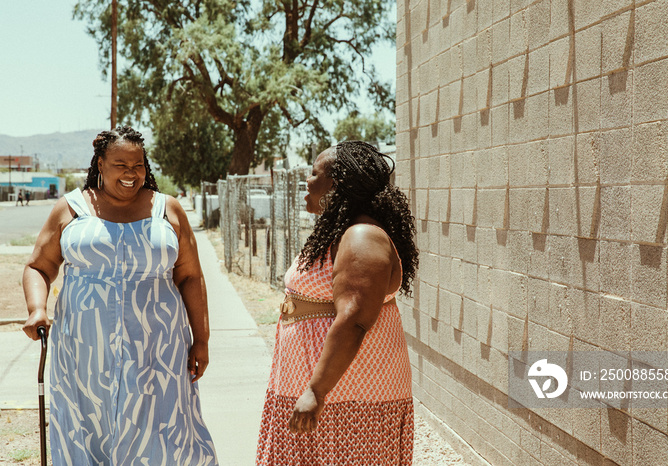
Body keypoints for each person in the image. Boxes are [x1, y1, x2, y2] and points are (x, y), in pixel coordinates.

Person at [22, 126, 218, 465]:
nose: (131, 173)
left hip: (158, 349)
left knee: (162, 432)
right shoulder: (70, 209)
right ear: (100, 163)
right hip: (84, 351)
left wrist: (201, 339)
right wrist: (36, 308)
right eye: (120, 164)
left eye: (138, 164)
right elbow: (38, 266)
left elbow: (190, 276)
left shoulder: (167, 210)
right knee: (88, 426)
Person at [256, 141, 419, 465]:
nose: (307, 180)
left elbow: (355, 318)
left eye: (314, 173)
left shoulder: (362, 236)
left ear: (337, 183)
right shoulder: (342, 231)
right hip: (326, 390)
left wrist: (316, 391)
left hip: (348, 394)